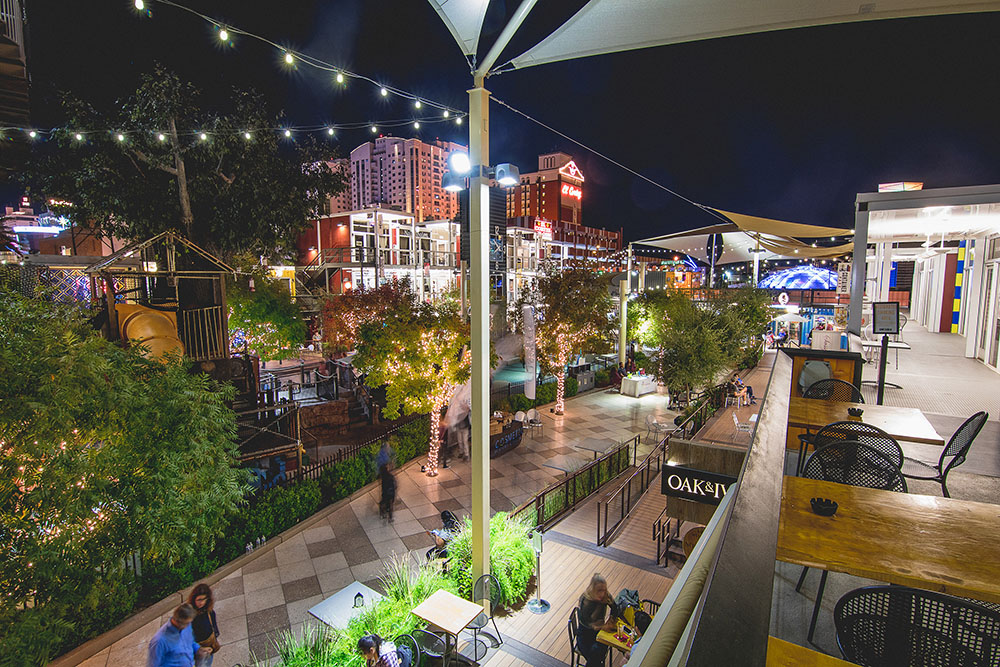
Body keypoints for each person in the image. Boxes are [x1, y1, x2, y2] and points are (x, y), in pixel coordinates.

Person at [576, 573, 620, 667]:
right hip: (585, 636)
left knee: (596, 656)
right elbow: (588, 625)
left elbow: (615, 608)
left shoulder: (605, 596)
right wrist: (603, 627)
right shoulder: (586, 601)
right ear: (593, 589)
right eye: (599, 590)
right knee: (596, 656)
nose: (602, 593)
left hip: (600, 634)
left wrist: (611, 620)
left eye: (604, 590)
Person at [187, 584, 220, 667]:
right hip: (196, 649)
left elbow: (213, 627)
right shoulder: (190, 615)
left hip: (208, 647)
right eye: (199, 600)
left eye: (204, 599)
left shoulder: (209, 612)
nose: (201, 603)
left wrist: (213, 642)